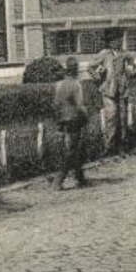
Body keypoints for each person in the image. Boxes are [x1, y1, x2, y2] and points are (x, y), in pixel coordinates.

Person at [89, 34, 136, 157]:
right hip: (109, 91)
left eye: (119, 39)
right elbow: (90, 67)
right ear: (110, 42)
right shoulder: (104, 54)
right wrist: (99, 77)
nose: (118, 42)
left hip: (122, 90)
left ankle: (122, 147)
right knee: (111, 117)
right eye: (115, 40)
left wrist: (132, 73)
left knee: (122, 118)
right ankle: (109, 147)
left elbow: (135, 68)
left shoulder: (125, 54)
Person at [53, 56, 90, 190]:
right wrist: (86, 116)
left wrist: (58, 122)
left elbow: (56, 104)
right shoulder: (76, 85)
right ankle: (59, 180)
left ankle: (80, 177)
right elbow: (80, 105)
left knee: (75, 149)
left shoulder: (59, 85)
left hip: (62, 119)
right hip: (74, 119)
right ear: (76, 70)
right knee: (72, 150)